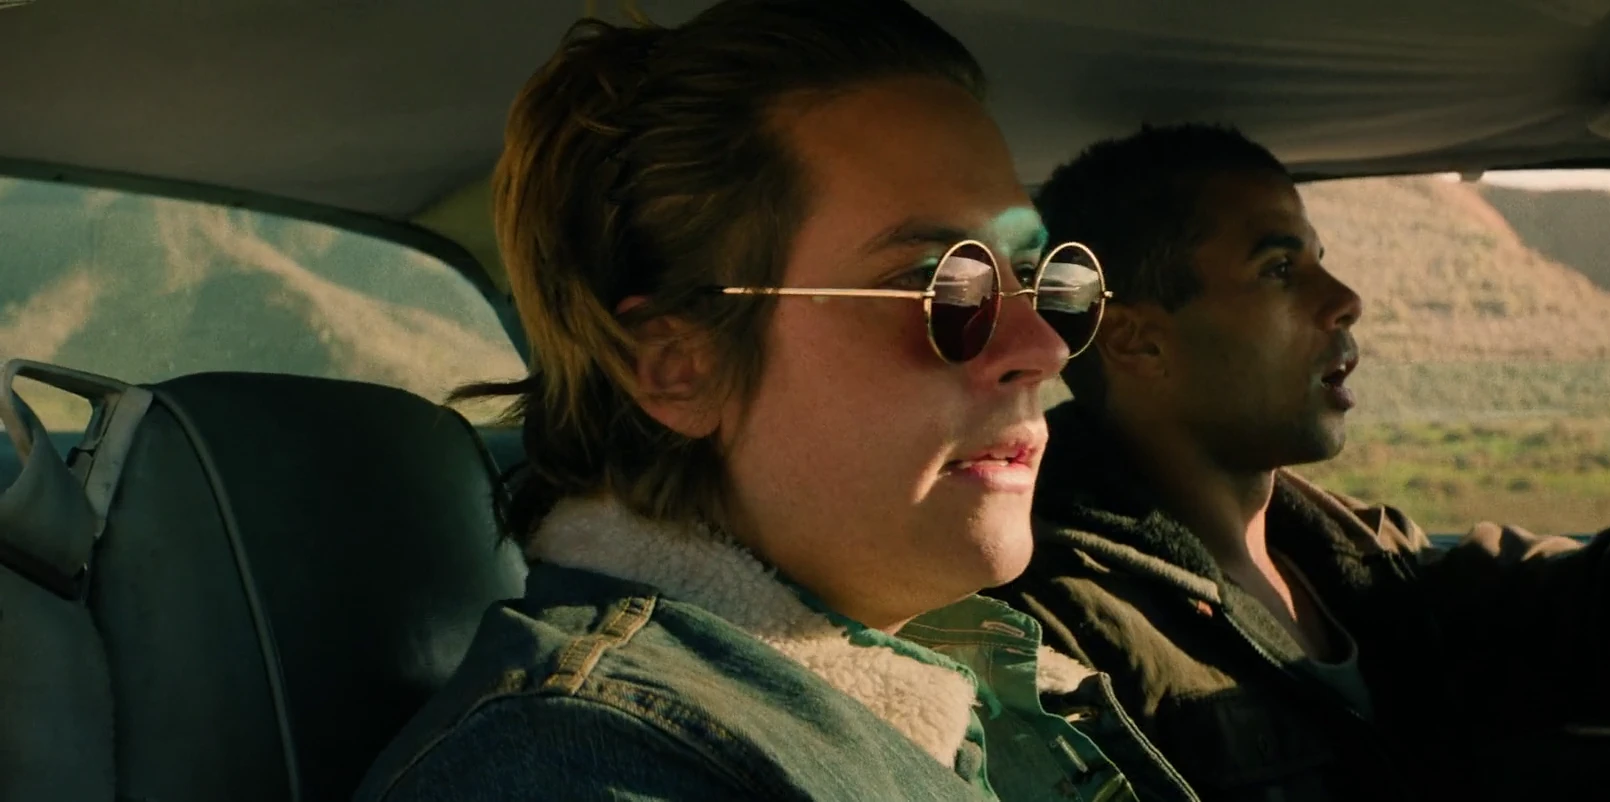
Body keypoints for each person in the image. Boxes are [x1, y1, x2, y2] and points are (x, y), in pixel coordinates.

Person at [352, 3, 1195, 800]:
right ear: (681, 368)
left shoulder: (972, 683)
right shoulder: (575, 764)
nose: (1043, 347)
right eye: (936, 282)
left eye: (1038, 276)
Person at [985, 123, 1610, 802]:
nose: (1345, 299)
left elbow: (1608, 604)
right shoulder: (1055, 628)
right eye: (1280, 270)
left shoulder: (1360, 564)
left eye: (1321, 260)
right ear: (1137, 341)